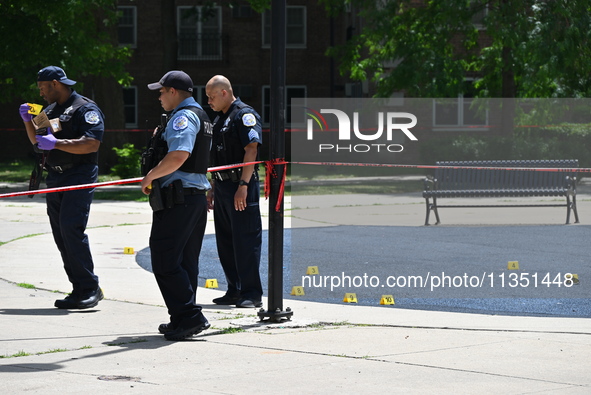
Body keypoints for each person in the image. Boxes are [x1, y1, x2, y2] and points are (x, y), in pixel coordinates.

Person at [18, 66, 104, 309]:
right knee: (60, 234)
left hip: (78, 174)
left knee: (71, 228)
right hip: (55, 177)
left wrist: (57, 143)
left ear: (55, 83)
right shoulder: (48, 111)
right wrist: (28, 121)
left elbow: (91, 144)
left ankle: (90, 288)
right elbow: (39, 142)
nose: (41, 93)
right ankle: (78, 288)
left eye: (42, 88)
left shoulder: (84, 108)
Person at [142, 70, 212, 341]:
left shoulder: (183, 117)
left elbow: (179, 155)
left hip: (178, 198)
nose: (159, 97)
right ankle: (182, 318)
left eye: (161, 92)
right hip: (191, 198)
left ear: (173, 91)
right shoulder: (201, 115)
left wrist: (150, 176)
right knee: (184, 262)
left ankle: (190, 315)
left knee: (164, 258)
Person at [205, 75, 263, 308]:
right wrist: (213, 186)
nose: (208, 101)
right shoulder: (220, 118)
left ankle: (252, 293)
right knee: (226, 241)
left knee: (245, 240)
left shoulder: (244, 115)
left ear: (224, 93)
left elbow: (251, 150)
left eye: (211, 97)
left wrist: (243, 186)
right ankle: (234, 289)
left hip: (241, 186)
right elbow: (219, 155)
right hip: (222, 187)